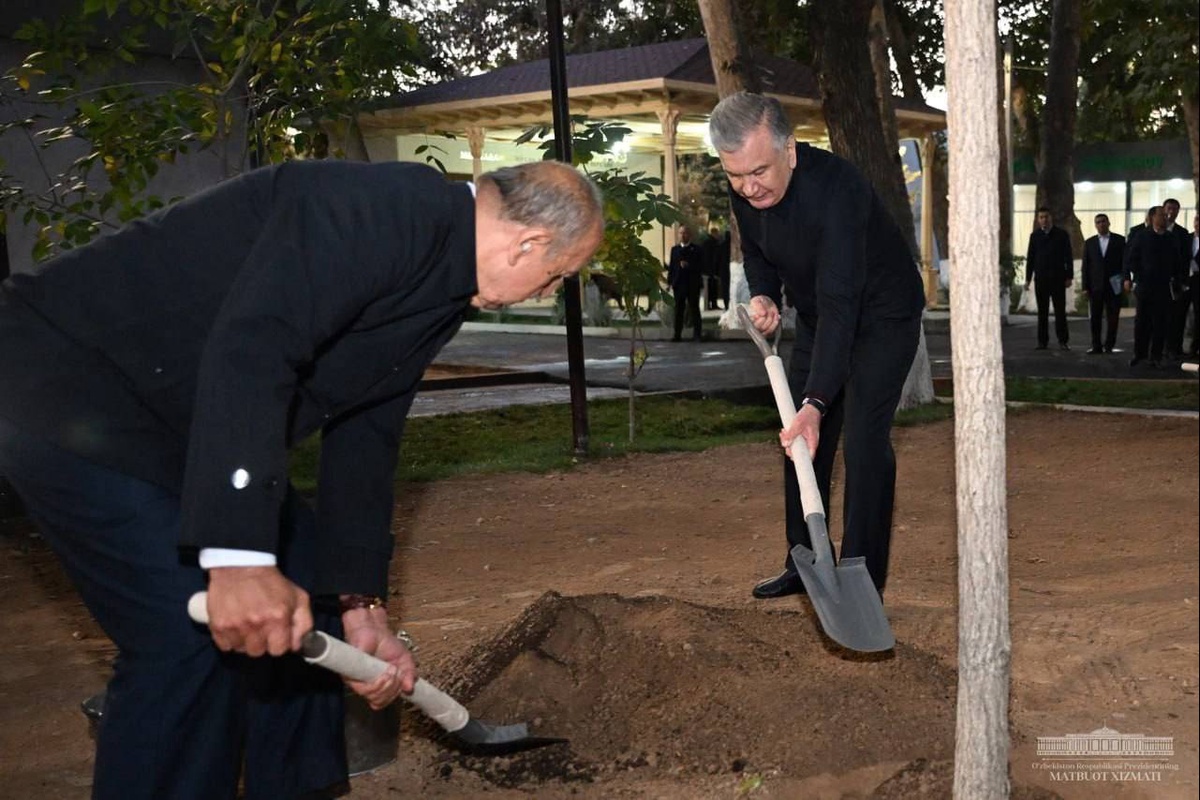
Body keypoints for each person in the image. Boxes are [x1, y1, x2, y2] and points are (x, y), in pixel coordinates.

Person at [0, 159, 603, 800]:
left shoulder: (446, 279)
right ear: (528, 244)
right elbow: (253, 350)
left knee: (311, 584)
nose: (547, 292)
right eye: (558, 276)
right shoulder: (375, 210)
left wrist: (360, 606)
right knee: (187, 639)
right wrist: (237, 558)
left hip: (169, 421)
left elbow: (368, 427)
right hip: (60, 389)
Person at [708, 92, 924, 601]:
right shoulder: (747, 183)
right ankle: (803, 560)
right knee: (799, 438)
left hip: (881, 315)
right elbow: (757, 248)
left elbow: (842, 300)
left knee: (865, 439)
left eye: (757, 171)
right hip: (820, 314)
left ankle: (863, 577)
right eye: (735, 176)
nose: (747, 186)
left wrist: (818, 401)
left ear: (790, 150)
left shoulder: (839, 190)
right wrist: (763, 292)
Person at [1125, 205, 1184, 368]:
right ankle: (1139, 354)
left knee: (1160, 323)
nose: (1165, 217)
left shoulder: (1171, 238)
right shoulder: (1142, 236)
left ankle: (1155, 356)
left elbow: (1177, 262)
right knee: (1142, 322)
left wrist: (1177, 282)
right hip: (1145, 286)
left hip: (1163, 287)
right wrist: (1137, 276)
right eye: (1161, 215)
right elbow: (1132, 258)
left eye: (1166, 215)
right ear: (1152, 218)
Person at [1024, 207, 1074, 350]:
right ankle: (1042, 342)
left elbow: (1068, 256)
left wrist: (1069, 276)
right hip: (1041, 279)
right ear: (1038, 219)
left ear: (1051, 218)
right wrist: (1028, 279)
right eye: (1041, 217)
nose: (1044, 219)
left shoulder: (1061, 234)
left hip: (1058, 278)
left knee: (1060, 312)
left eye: (1046, 216)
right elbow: (1031, 259)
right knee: (1042, 312)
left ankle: (1063, 341)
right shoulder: (1035, 236)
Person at [1080, 213, 1126, 354]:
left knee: (1113, 318)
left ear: (1109, 223)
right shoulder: (1090, 242)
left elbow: (1124, 263)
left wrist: (1125, 280)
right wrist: (1085, 286)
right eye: (1098, 222)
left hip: (1114, 285)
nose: (1101, 224)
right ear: (1095, 225)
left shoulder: (1120, 240)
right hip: (1096, 286)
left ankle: (1109, 345)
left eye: (1103, 221)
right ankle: (1096, 345)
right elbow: (1086, 266)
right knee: (1095, 317)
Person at [1162, 198, 1193, 358]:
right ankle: (1158, 348)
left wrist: (1182, 281)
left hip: (1176, 282)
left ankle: (1175, 348)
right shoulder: (1155, 230)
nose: (1171, 212)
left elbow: (1185, 259)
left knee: (1177, 317)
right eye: (1169, 208)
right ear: (1163, 209)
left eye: (1175, 209)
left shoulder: (1182, 234)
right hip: (1158, 281)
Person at [666, 225, 703, 341]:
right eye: (680, 233)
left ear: (689, 235)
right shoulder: (675, 249)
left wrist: (689, 266)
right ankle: (677, 335)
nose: (683, 235)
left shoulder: (696, 249)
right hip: (679, 284)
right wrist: (669, 282)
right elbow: (672, 267)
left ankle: (697, 335)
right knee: (678, 310)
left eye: (685, 233)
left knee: (694, 309)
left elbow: (701, 266)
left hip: (692, 284)